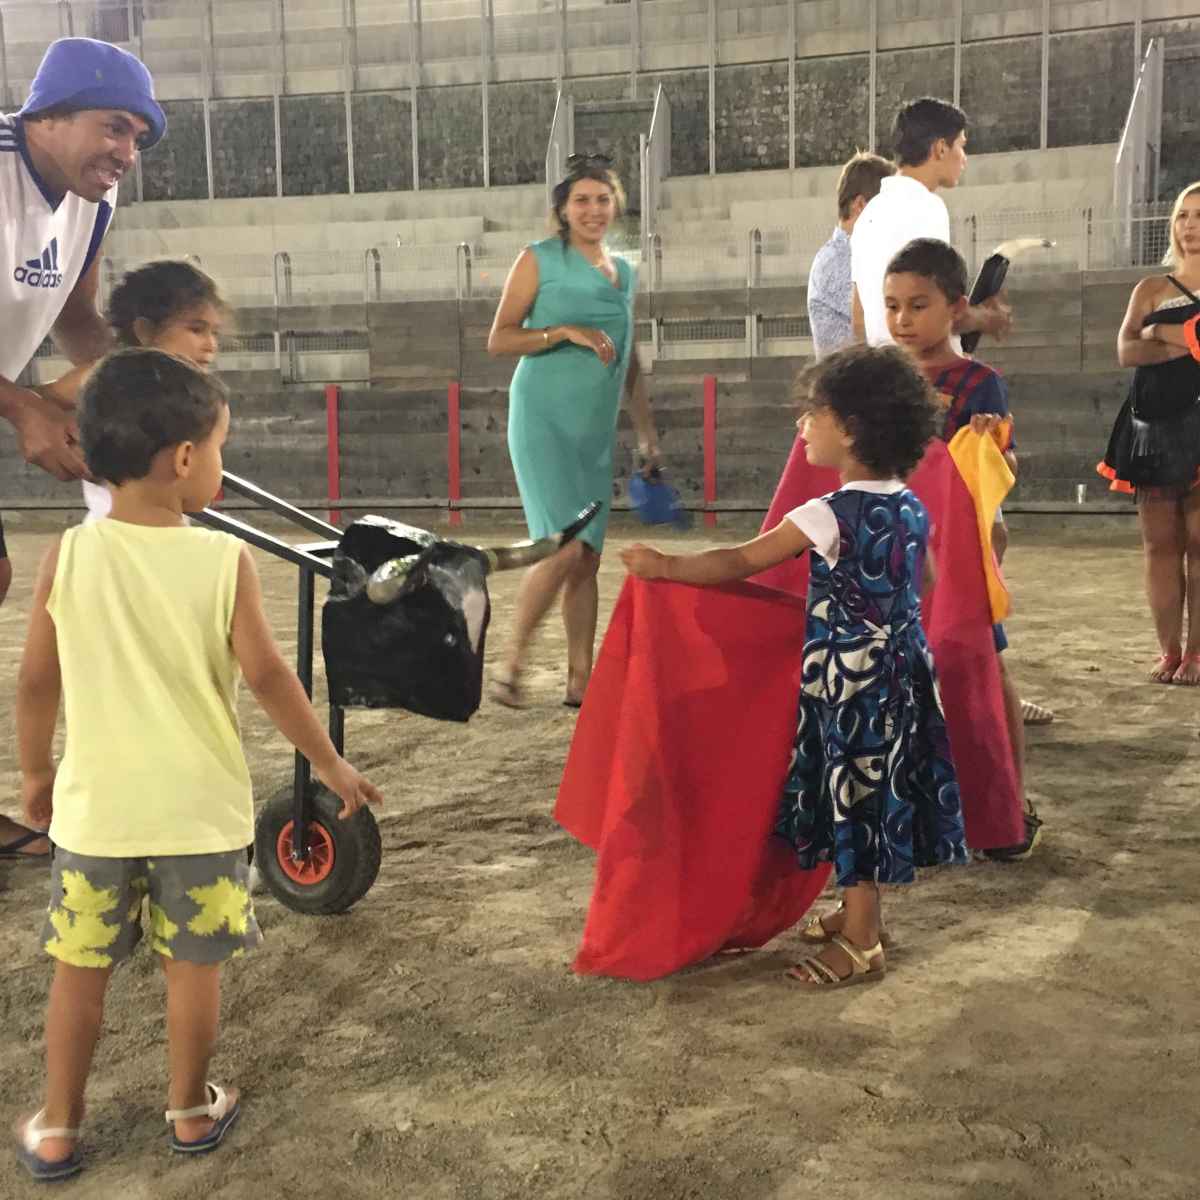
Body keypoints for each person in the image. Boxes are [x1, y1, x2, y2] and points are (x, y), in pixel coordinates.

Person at [13, 349, 383, 1181]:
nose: (218, 464)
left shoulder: (68, 556)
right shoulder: (223, 562)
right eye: (218, 448)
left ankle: (60, 1123)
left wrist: (34, 775)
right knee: (194, 968)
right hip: (198, 817)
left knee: (79, 971)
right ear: (185, 460)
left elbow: (38, 681)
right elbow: (268, 678)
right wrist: (328, 762)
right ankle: (188, 1109)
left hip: (96, 815)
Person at [622, 345, 967, 990]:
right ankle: (858, 913)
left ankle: (863, 943)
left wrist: (666, 568)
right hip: (901, 674)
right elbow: (925, 580)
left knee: (850, 800)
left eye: (814, 414)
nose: (802, 426)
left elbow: (739, 562)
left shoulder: (826, 514)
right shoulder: (911, 505)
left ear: (852, 428)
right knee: (877, 795)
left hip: (848, 684)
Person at [0, 37, 166, 860]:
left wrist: (135, 375)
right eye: (113, 128)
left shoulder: (88, 202)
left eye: (136, 137)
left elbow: (74, 316)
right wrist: (26, 409)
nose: (125, 152)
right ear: (49, 118)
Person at [884, 237, 1041, 860]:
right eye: (892, 305)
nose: (901, 320)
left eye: (917, 305)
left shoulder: (981, 384)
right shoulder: (879, 380)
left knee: (980, 667)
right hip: (892, 554)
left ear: (955, 308)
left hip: (956, 557)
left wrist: (991, 447)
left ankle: (1010, 803)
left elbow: (999, 471)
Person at [486, 154, 658, 709]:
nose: (593, 209)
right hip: (542, 417)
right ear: (562, 209)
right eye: (581, 200)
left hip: (594, 429)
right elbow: (500, 339)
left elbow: (629, 360)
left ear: (616, 206)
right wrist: (563, 331)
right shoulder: (538, 260)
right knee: (563, 547)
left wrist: (645, 431)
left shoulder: (626, 273)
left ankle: (580, 679)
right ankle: (510, 662)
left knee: (587, 557)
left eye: (602, 199)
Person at [1098, 181, 1200, 685]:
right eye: (1183, 215)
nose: (1190, 226)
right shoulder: (1151, 289)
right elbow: (1125, 351)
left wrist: (1155, 333)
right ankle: (1169, 650)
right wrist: (1179, 337)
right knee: (1160, 544)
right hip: (1151, 425)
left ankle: (1198, 654)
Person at [849, 97, 1011, 349]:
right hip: (927, 374)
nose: (964, 159)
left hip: (887, 370)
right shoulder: (926, 207)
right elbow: (933, 313)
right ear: (940, 149)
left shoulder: (868, 215)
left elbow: (859, 318)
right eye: (961, 146)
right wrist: (987, 319)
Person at [807, 151, 895, 359]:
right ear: (860, 205)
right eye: (887, 207)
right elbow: (880, 323)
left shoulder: (854, 255)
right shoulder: (836, 261)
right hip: (851, 386)